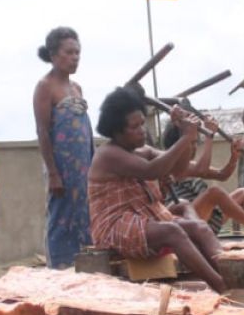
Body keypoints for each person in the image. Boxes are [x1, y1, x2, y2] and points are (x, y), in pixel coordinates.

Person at [88, 88, 227, 293]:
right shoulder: (107, 154)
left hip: (145, 218)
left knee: (199, 228)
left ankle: (234, 273)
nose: (142, 130)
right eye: (135, 126)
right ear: (117, 131)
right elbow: (152, 171)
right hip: (115, 226)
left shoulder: (143, 151)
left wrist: (183, 132)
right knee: (172, 231)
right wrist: (186, 138)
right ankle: (222, 286)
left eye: (143, 123)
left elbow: (178, 169)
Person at [159, 115, 244, 239]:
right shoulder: (172, 164)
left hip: (207, 217)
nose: (194, 148)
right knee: (214, 192)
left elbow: (223, 175)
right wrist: (209, 136)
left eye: (195, 143)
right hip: (186, 222)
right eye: (191, 143)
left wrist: (234, 157)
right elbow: (202, 169)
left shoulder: (191, 165)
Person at [32, 27, 93, 269]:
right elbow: (42, 132)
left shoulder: (77, 88)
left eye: (78, 52)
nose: (75, 57)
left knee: (85, 215)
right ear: (54, 55)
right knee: (61, 216)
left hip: (84, 168)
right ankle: (59, 268)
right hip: (62, 169)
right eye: (69, 52)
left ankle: (87, 265)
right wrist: (54, 172)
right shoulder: (45, 87)